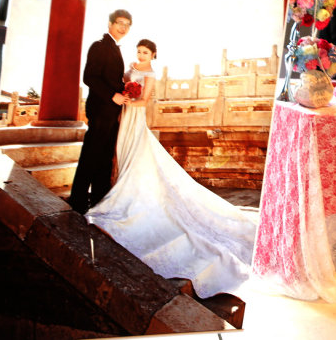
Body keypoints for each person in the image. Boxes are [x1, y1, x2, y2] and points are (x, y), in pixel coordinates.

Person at [86, 39, 257, 298]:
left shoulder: (150, 74)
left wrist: (128, 100)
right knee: (121, 152)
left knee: (135, 151)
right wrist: (121, 94)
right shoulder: (130, 67)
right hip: (123, 115)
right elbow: (118, 83)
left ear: (153, 55)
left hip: (134, 114)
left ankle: (129, 193)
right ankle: (119, 186)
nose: (141, 55)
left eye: (146, 52)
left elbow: (145, 102)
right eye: (139, 51)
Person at [68, 9, 132, 214]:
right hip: (100, 110)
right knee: (91, 155)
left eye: (127, 24)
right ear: (110, 24)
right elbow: (90, 77)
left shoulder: (116, 49)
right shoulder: (99, 46)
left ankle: (99, 200)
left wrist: (125, 90)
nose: (123, 27)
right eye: (120, 23)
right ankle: (77, 200)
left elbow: (110, 79)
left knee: (105, 158)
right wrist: (113, 95)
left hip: (112, 112)